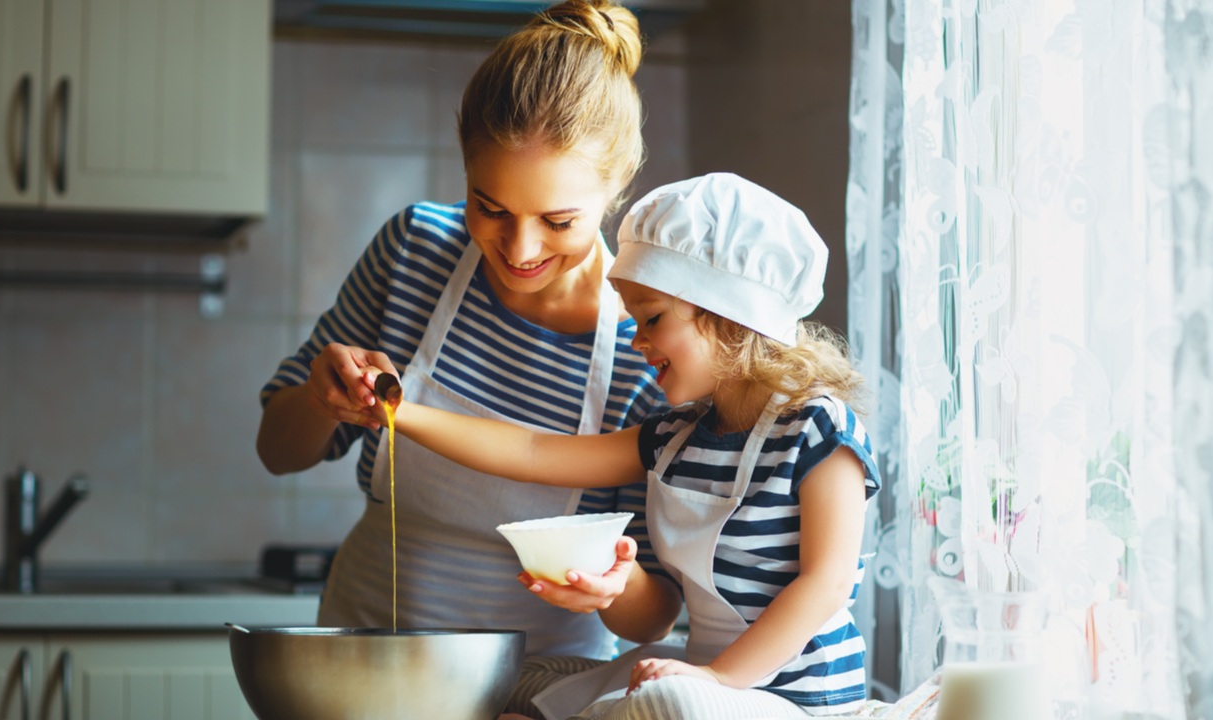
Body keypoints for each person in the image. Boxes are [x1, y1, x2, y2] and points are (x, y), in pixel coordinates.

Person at [255, 3, 678, 717]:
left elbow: (655, 611)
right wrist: (317, 401)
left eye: (559, 221)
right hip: (363, 663)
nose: (518, 250)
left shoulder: (647, 343)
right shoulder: (414, 252)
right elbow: (277, 449)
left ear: (618, 185)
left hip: (538, 691)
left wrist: (616, 588)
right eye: (490, 207)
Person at [372, 173, 882, 720]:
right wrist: (396, 411)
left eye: (653, 319)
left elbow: (826, 584)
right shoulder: (677, 435)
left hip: (797, 703)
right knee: (522, 678)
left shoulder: (818, 430)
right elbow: (531, 453)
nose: (637, 341)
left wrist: (718, 678)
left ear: (731, 317)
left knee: (667, 700)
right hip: (704, 681)